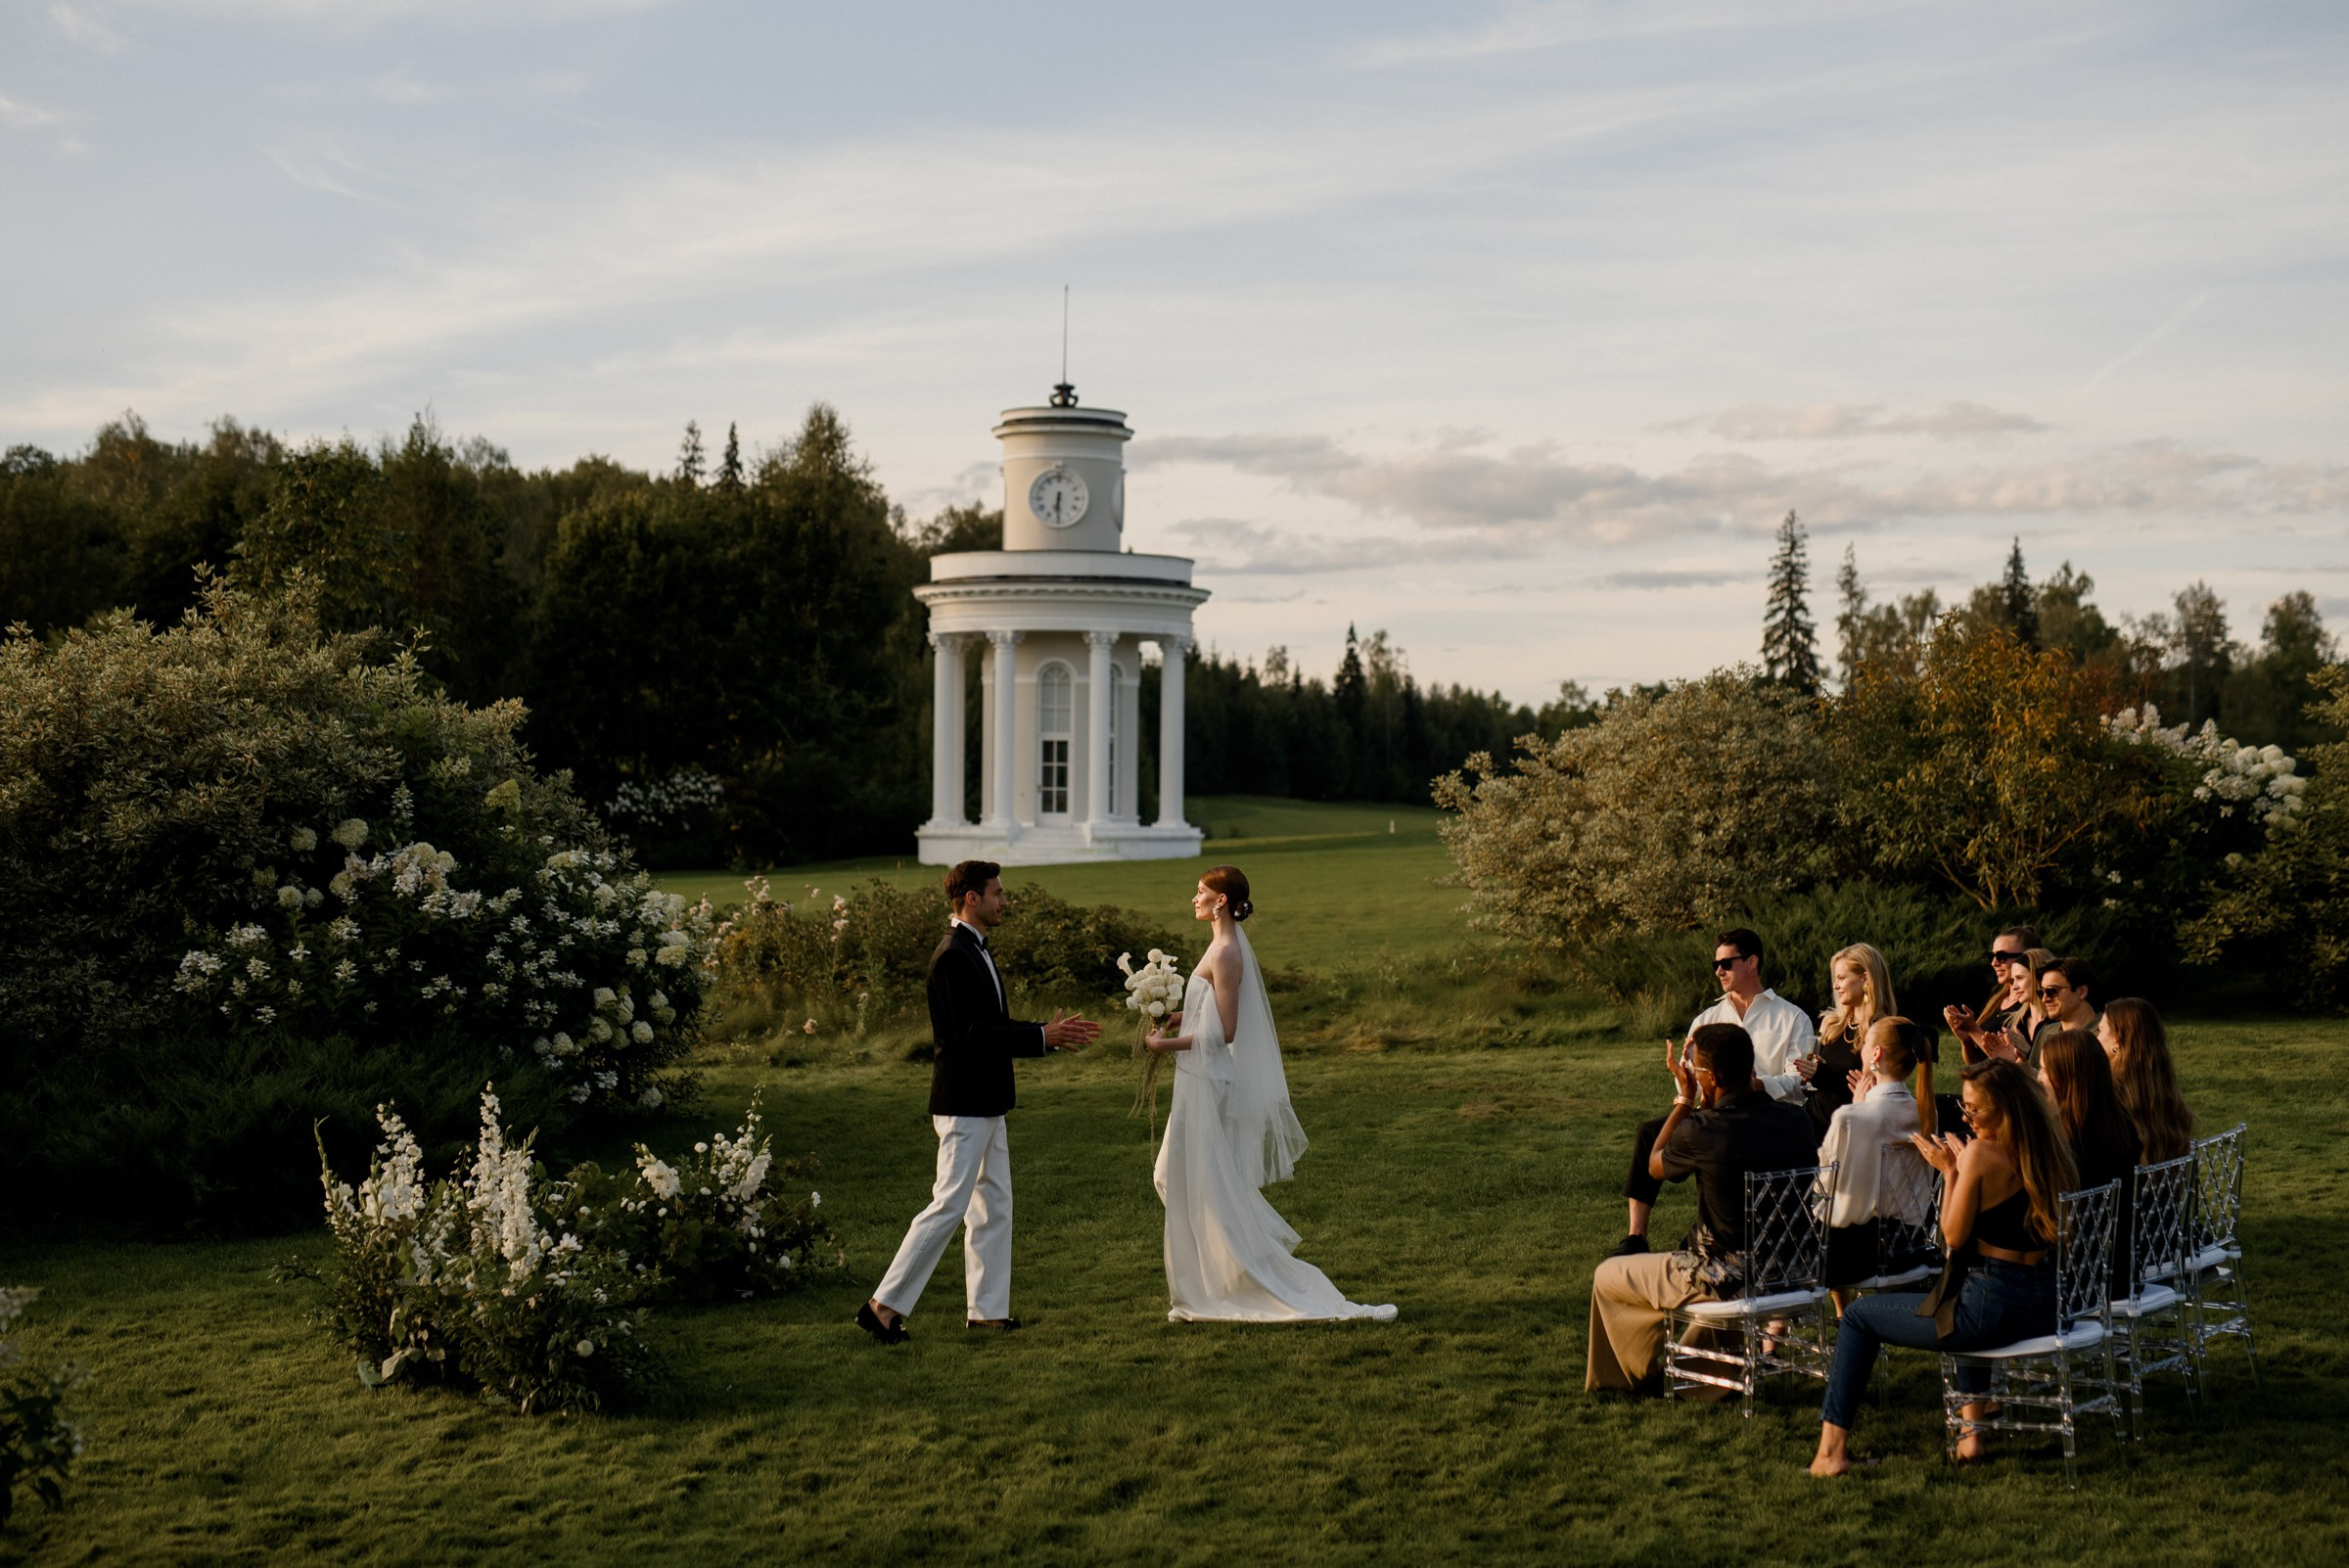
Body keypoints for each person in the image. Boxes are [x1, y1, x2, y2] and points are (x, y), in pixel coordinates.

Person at [858, 861, 1100, 1343]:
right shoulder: (953, 956)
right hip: (963, 1103)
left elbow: (992, 1026)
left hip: (987, 1100)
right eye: (997, 893)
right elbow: (971, 1035)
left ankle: (987, 1312)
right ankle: (881, 1307)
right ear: (971, 898)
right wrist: (1041, 1037)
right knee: (949, 1205)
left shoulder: (974, 950)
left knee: (993, 1206)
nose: (1004, 901)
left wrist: (1044, 1034)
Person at [1145, 865, 1397, 1322]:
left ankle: (1238, 1281)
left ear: (1221, 900)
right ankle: (1208, 1283)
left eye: (1201, 892)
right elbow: (1209, 1010)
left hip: (1208, 1079)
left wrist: (1165, 1046)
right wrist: (1173, 1016)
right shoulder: (1220, 945)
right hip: (1198, 1075)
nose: (1194, 898)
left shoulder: (1226, 952)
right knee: (1179, 1177)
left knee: (1195, 1181)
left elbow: (1225, 1030)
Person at [1810, 1059, 2078, 1475]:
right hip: (2046, 1304)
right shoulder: (2049, 1148)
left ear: (2005, 1109)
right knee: (1960, 1298)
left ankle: (1830, 1453)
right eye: (1965, 1109)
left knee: (1859, 1317)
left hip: (1991, 1308)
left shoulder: (1982, 1154)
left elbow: (1952, 1237)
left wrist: (1951, 1172)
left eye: (1975, 1110)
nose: (1967, 1119)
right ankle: (1972, 1438)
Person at [1588, 1022, 1817, 1395]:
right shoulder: (1797, 1119)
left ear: (1712, 1077)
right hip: (1793, 1270)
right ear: (1750, 1067)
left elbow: (1655, 1164)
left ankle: (1627, 1379)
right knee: (1705, 1266)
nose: (1692, 1072)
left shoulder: (1706, 1128)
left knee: (1609, 1274)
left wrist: (1685, 1100)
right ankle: (1702, 1381)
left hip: (1729, 1277)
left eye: (1696, 1069)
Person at [1608, 929, 1816, 1258]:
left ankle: (1715, 1235)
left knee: (1710, 1142)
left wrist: (1757, 1085)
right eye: (1715, 964)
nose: (1718, 971)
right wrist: (1688, 1084)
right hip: (1714, 1111)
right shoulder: (1707, 1019)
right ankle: (1636, 1235)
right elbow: (1691, 1075)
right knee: (1650, 1131)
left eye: (1726, 963)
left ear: (1752, 962)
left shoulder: (1792, 1018)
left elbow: (1798, 1080)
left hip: (1765, 1115)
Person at [1817, 1018, 1937, 1312]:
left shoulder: (1851, 1117)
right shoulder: (1926, 1112)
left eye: (1865, 1043)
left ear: (1876, 1054)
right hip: (1912, 1246)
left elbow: (1825, 1188)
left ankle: (1798, 1322)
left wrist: (1857, 1108)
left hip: (1855, 1255)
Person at [2038, 1027, 2141, 1293]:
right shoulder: (2120, 1125)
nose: (2039, 1078)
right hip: (2120, 1271)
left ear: (2068, 1078)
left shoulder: (2067, 1143)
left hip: (2075, 1282)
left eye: (2045, 1071)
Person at [1803, 944, 1897, 1138]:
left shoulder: (1882, 1030)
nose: (1835, 986)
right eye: (1835, 979)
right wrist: (1811, 1076)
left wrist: (1824, 1075)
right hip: (1812, 1123)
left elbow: (1878, 1093)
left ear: (1865, 979)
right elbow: (1811, 1090)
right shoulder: (1831, 1025)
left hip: (1852, 1130)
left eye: (1842, 978)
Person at [2100, 998, 2194, 1162]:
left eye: (2100, 1030)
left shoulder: (2108, 1098)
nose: (2096, 1037)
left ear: (2117, 1039)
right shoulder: (2161, 1091)